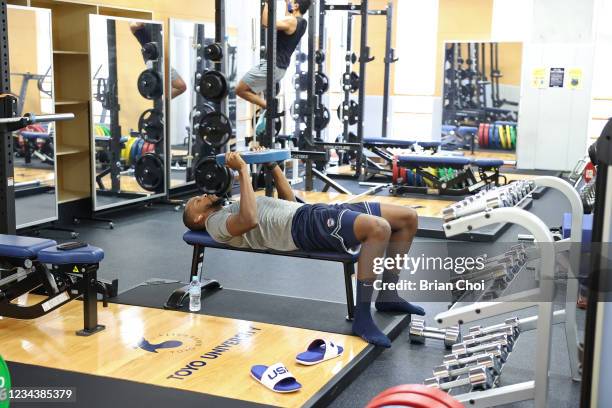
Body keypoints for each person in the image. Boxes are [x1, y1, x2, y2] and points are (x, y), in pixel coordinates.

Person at [183, 152, 425, 348]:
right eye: (196, 201)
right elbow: (249, 220)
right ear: (198, 217)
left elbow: (287, 200)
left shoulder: (230, 206)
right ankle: (362, 318)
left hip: (310, 213)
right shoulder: (214, 224)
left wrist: (272, 166)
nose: (202, 195)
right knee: (379, 228)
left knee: (408, 218)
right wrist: (243, 170)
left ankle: (388, 295)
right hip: (303, 228)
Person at [235, 0, 310, 137]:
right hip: (280, 68)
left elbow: (266, 22)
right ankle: (268, 107)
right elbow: (289, 13)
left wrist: (267, 2)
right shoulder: (302, 23)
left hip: (272, 65)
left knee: (240, 89)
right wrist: (288, 3)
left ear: (296, 5)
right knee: (251, 90)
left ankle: (269, 107)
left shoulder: (291, 22)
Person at [129, 22, 187, 99]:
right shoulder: (138, 24)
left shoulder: (156, 20)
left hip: (161, 58)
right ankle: (160, 102)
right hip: (152, 60)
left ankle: (161, 102)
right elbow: (133, 26)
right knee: (181, 86)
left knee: (181, 87)